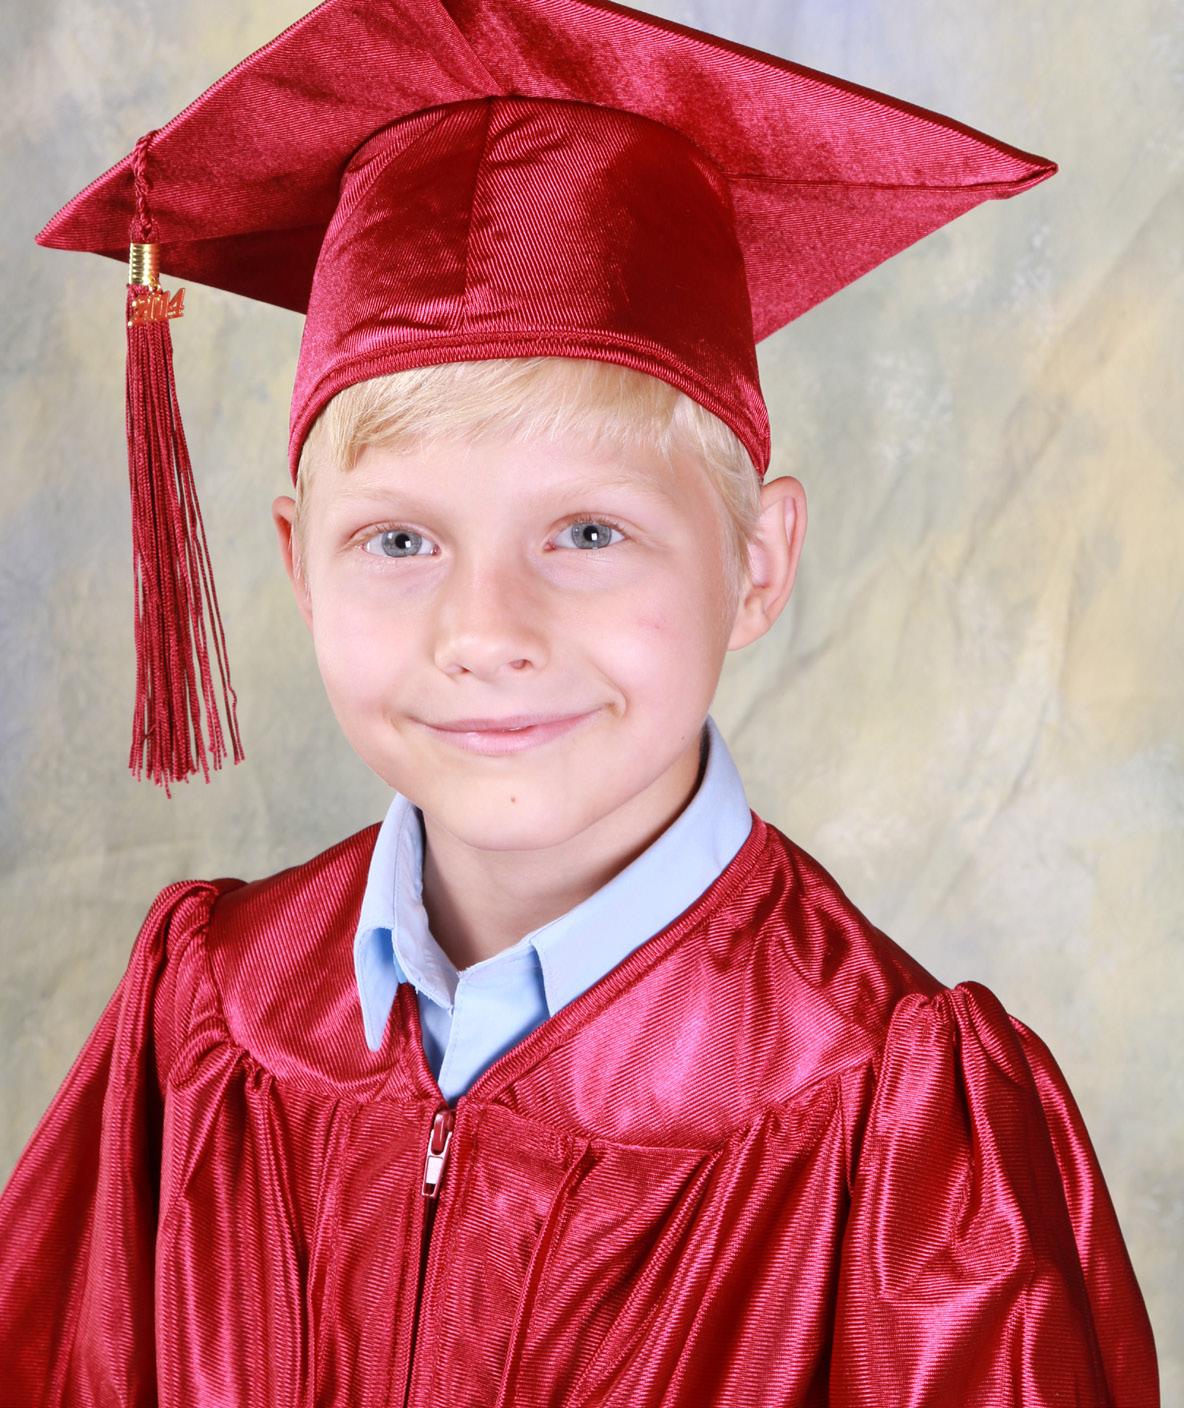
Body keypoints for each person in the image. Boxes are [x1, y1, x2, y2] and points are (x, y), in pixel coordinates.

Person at [0, 0, 1159, 1403]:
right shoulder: (208, 1020)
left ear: (758, 563)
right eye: (399, 541)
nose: (488, 631)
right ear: (298, 565)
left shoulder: (899, 1124)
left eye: (590, 534)